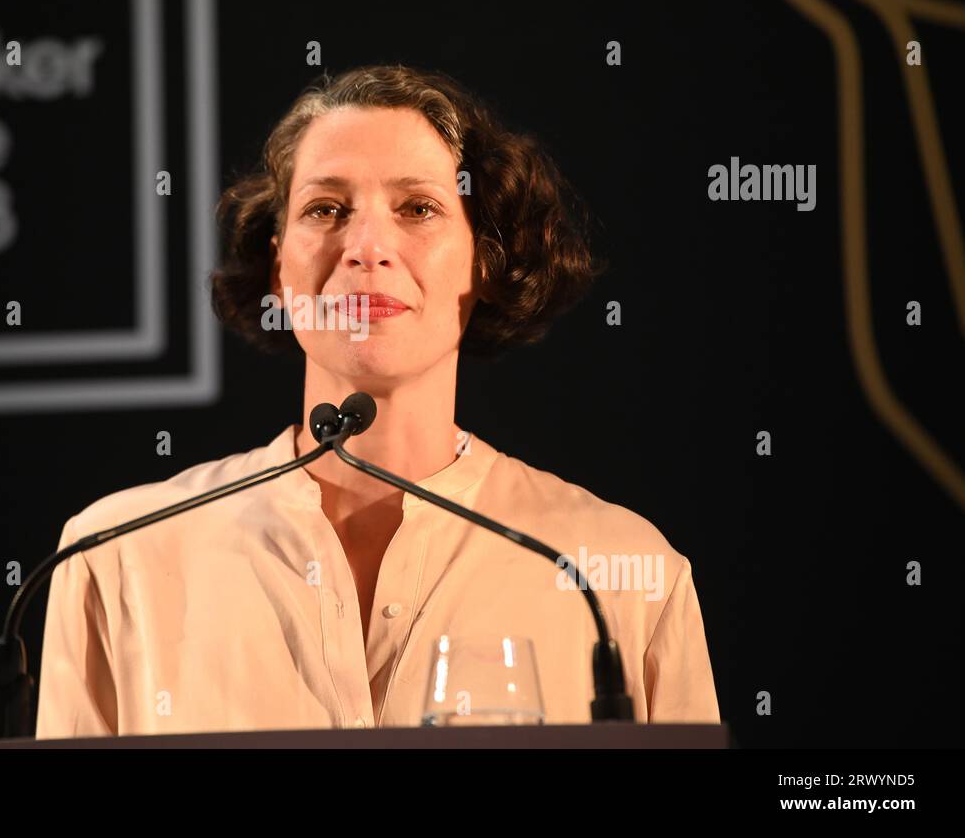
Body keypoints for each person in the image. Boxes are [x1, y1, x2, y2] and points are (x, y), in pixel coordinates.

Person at [36, 64, 720, 737]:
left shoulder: (621, 572)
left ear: (484, 260)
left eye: (418, 209)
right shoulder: (117, 555)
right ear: (279, 265)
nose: (367, 246)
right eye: (326, 209)